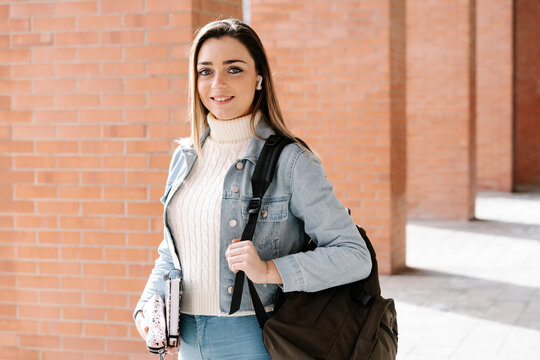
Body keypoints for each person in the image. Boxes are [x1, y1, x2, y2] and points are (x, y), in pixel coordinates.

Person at [134, 18, 372, 360]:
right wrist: (147, 310)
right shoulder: (186, 157)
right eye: (205, 71)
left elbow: (353, 255)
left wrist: (270, 270)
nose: (217, 83)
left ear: (259, 77)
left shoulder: (291, 161)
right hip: (185, 337)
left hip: (254, 337)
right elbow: (173, 252)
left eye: (234, 69)